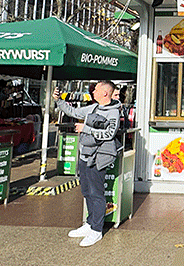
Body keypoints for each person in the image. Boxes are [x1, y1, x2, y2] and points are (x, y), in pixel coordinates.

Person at [55, 80, 121, 247]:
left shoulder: (113, 112)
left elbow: (109, 133)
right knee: (86, 191)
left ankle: (97, 230)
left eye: (96, 89)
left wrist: (86, 129)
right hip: (85, 155)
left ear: (105, 93)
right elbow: (74, 111)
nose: (93, 92)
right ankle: (90, 224)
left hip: (98, 158)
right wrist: (58, 101)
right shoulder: (93, 107)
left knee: (96, 193)